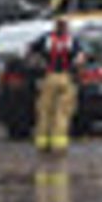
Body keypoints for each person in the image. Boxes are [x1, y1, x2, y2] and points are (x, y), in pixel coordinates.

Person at [32, 17, 81, 153]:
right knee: (62, 112)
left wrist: (39, 65)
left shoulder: (46, 39)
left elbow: (32, 52)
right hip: (65, 77)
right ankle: (58, 144)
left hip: (48, 76)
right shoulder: (71, 40)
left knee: (45, 111)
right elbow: (80, 58)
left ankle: (43, 143)